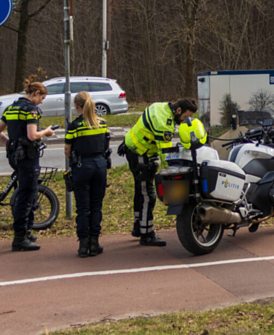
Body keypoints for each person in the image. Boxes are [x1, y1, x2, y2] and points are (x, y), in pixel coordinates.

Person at [121, 97, 197, 247]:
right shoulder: (165, 124)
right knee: (148, 196)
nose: (185, 121)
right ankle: (147, 234)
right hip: (141, 154)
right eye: (185, 117)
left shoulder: (160, 106)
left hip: (131, 146)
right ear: (178, 110)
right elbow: (165, 154)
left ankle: (139, 227)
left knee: (140, 192)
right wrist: (176, 170)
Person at [0, 82, 54, 251]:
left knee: (28, 193)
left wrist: (10, 144)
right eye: (42, 98)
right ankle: (20, 237)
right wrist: (46, 132)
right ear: (36, 93)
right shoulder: (31, 110)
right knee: (26, 197)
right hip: (27, 157)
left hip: (15, 156)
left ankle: (27, 231)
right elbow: (32, 135)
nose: (41, 102)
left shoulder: (11, 108)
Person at [64, 91, 110, 258]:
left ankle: (83, 246)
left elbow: (67, 151)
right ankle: (94, 243)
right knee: (96, 206)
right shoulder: (102, 124)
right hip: (100, 166)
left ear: (77, 107)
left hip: (82, 166)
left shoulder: (74, 126)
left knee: (83, 208)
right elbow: (105, 146)